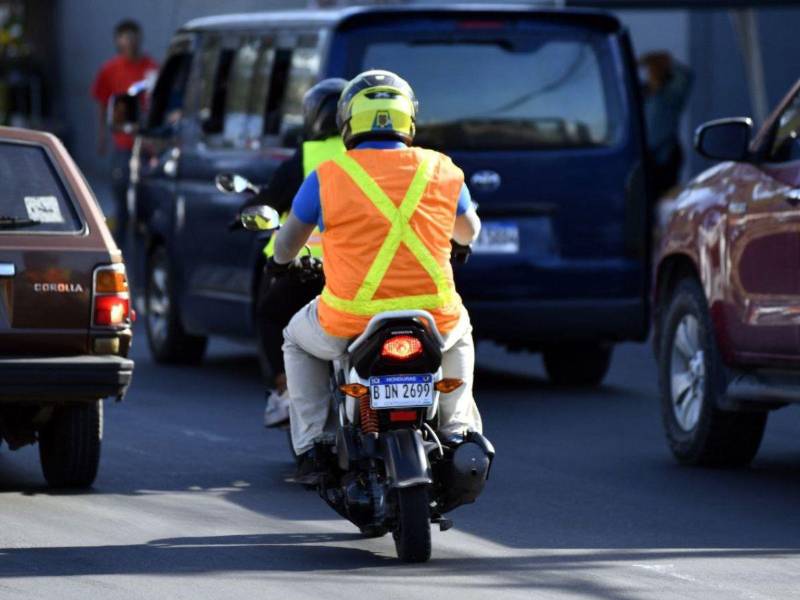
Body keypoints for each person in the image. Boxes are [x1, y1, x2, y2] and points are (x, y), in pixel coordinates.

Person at [268, 70, 483, 482]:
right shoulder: (441, 168)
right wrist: (458, 243)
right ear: (408, 121)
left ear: (348, 122)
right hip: (434, 318)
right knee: (462, 328)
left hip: (349, 319)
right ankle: (457, 430)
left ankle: (314, 445)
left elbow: (286, 245)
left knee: (295, 340)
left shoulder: (327, 176)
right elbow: (469, 232)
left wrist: (279, 264)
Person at [241, 78, 347, 427]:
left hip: (311, 271)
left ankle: (285, 389)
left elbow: (271, 201)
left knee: (271, 315)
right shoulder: (367, 155)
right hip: (365, 271)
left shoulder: (308, 157)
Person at [91, 19, 158, 251]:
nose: (130, 42)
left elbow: (158, 102)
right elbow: (102, 103)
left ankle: (142, 242)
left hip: (146, 144)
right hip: (123, 144)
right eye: (125, 37)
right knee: (121, 191)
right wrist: (102, 137)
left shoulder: (151, 68)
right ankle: (119, 247)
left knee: (145, 196)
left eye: (134, 36)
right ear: (118, 41)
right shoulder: (110, 69)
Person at [639, 51, 694, 199]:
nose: (652, 74)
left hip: (665, 156)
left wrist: (667, 61)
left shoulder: (670, 95)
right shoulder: (642, 94)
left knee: (664, 198)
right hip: (644, 157)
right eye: (650, 70)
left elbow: (686, 77)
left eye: (655, 70)